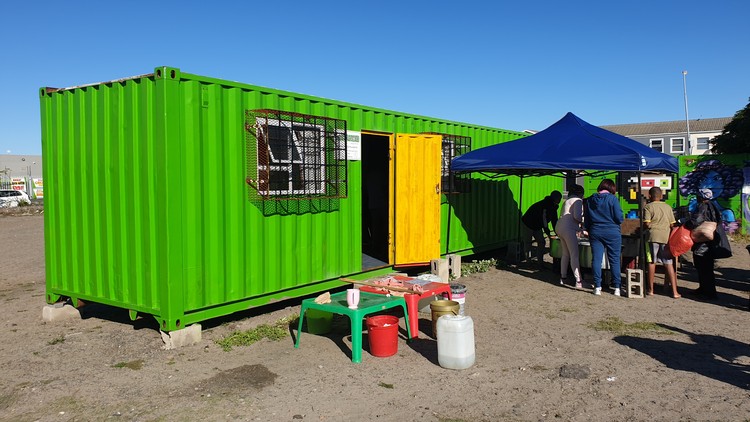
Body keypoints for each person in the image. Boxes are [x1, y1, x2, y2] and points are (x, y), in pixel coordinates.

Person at [584, 179, 623, 296]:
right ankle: (616, 287)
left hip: (595, 231)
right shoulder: (613, 199)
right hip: (612, 232)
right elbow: (619, 218)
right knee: (614, 260)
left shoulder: (590, 200)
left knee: (596, 259)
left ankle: (597, 286)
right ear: (611, 188)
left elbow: (587, 218)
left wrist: (587, 228)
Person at [684, 188, 721, 300]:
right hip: (710, 241)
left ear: (702, 196)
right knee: (707, 267)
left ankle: (707, 291)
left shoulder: (702, 206)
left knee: (703, 266)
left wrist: (685, 223)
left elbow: (696, 220)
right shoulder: (712, 205)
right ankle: (705, 289)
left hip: (702, 243)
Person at [643, 187, 679, 298]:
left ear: (649, 196)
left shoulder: (648, 207)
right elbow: (673, 224)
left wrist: (651, 225)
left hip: (652, 237)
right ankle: (675, 292)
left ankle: (651, 290)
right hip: (666, 237)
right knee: (668, 263)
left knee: (651, 262)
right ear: (661, 196)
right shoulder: (668, 207)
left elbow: (647, 224)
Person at [522, 190, 562, 267]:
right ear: (555, 198)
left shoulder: (554, 206)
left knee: (542, 242)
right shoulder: (545, 205)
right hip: (528, 223)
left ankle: (540, 262)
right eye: (559, 198)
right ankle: (528, 262)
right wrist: (546, 229)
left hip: (537, 225)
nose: (560, 200)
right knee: (528, 243)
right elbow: (543, 218)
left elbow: (554, 220)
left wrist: (556, 231)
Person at [555, 185, 585, 288]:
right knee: (574, 254)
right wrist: (584, 222)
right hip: (568, 229)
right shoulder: (577, 200)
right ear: (581, 193)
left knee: (565, 254)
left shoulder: (566, 201)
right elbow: (577, 216)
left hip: (559, 227)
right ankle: (578, 281)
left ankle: (563, 278)